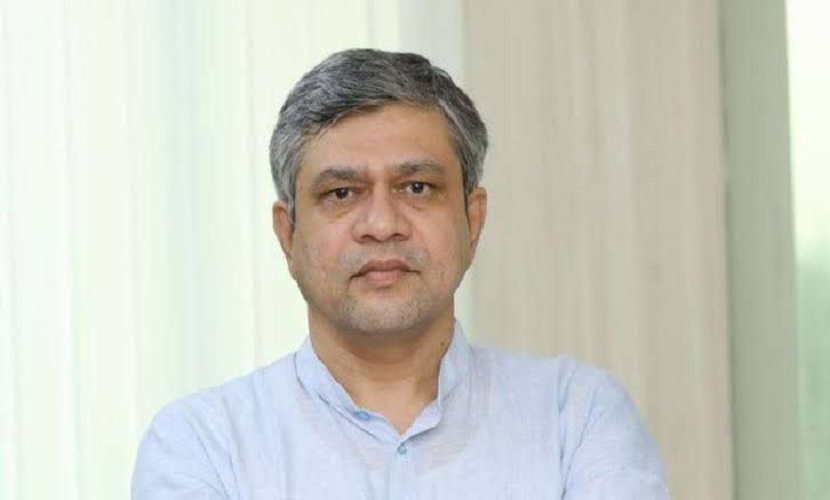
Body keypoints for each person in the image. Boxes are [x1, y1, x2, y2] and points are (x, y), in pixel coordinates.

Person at [131, 48, 669, 499]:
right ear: (287, 234)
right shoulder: (204, 445)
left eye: (417, 188)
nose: (382, 225)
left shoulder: (576, 419)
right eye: (341, 193)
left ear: (473, 220)